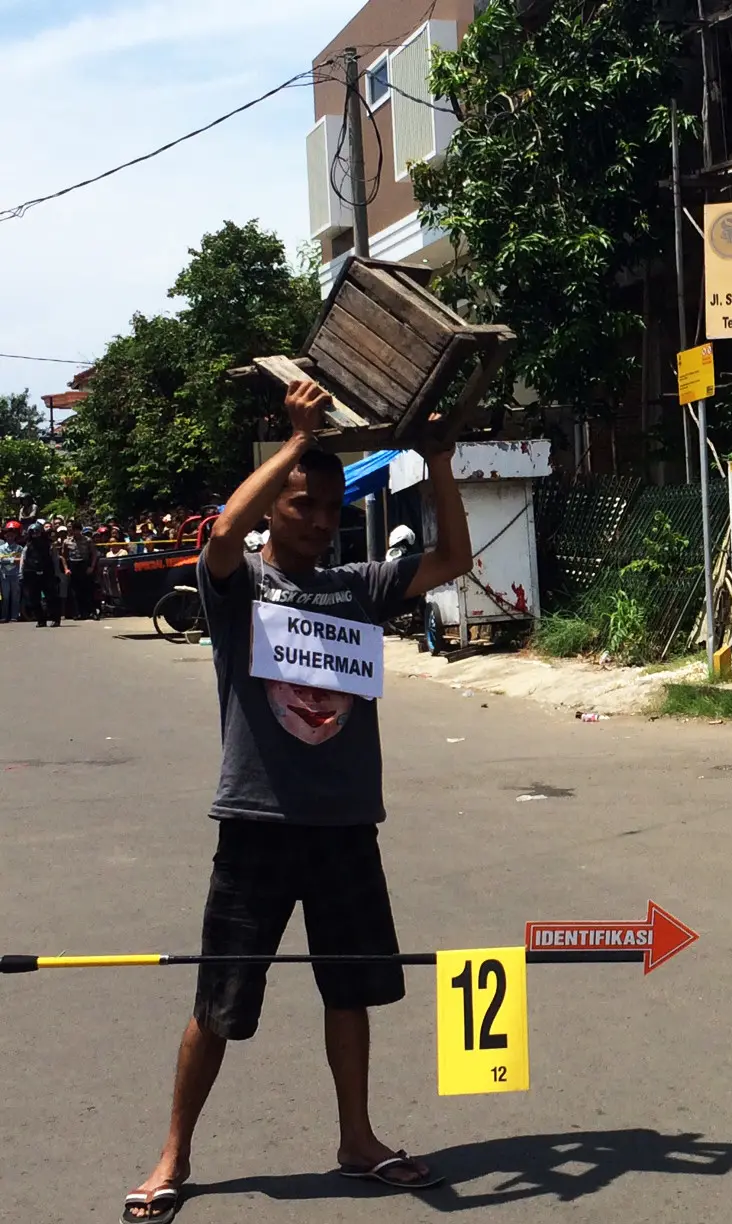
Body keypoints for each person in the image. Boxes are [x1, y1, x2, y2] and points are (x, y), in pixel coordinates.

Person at [121, 381, 475, 1222]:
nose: (318, 520)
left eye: (328, 506)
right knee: (220, 1001)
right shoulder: (236, 586)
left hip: (348, 826)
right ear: (274, 507)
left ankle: (357, 1140)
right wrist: (294, 440)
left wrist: (436, 460)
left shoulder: (358, 586)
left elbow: (453, 559)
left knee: (347, 991)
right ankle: (174, 1154)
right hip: (257, 825)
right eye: (301, 504)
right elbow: (218, 532)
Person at [20, 523, 61, 628]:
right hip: (31, 574)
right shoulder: (28, 546)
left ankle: (55, 619)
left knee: (51, 597)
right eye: (33, 532)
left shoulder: (49, 545)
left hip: (47, 573)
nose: (35, 534)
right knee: (34, 599)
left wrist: (57, 574)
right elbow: (23, 560)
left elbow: (55, 560)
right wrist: (21, 574)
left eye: (37, 532)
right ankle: (40, 620)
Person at [62, 520, 99, 620]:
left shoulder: (87, 540)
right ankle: (78, 613)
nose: (76, 532)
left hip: (84, 565)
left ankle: (92, 612)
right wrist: (66, 568)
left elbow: (94, 554)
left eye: (78, 530)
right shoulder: (67, 542)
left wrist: (91, 567)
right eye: (75, 530)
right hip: (73, 565)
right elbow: (64, 556)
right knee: (75, 592)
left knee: (88, 590)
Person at [0, 521, 22, 622]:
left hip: (16, 575)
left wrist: (8, 560)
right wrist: (13, 560)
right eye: (8, 536)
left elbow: (21, 560)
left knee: (15, 597)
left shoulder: (19, 548)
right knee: (5, 597)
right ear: (5, 536)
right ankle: (4, 616)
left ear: (15, 536)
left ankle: (14, 616)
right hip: (4, 575)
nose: (10, 538)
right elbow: (1, 560)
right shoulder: (1, 548)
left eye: (12, 536)